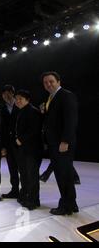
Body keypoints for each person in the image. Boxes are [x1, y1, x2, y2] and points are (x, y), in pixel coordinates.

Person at [41, 72, 79, 215]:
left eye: (51, 81)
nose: (48, 84)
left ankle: (65, 206)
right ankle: (72, 204)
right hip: (55, 144)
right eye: (45, 82)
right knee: (66, 174)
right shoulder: (51, 97)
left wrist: (65, 141)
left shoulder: (66, 95)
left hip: (62, 144)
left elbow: (71, 121)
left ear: (58, 81)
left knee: (63, 176)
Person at [14, 90, 43, 210]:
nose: (17, 101)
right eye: (16, 99)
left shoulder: (33, 111)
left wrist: (21, 139)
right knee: (24, 174)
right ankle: (26, 197)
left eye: (20, 98)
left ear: (27, 100)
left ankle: (33, 200)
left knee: (32, 176)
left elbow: (35, 131)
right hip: (24, 150)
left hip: (32, 150)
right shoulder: (22, 111)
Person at [0, 85, 21, 199]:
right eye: (4, 94)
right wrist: (3, 146)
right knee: (12, 169)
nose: (6, 95)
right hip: (8, 145)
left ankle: (25, 191)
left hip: (20, 144)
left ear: (13, 93)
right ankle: (15, 190)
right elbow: (1, 129)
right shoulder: (1, 108)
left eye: (8, 93)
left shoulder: (20, 105)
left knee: (23, 169)